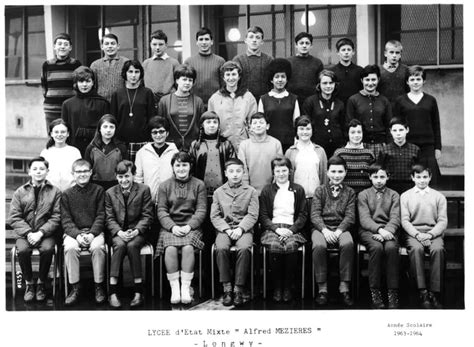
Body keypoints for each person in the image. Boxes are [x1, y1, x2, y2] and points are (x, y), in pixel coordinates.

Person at [7, 157, 61, 303]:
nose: (38, 172)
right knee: (22, 250)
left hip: (46, 234)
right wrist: (29, 233)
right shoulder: (20, 192)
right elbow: (14, 217)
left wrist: (41, 233)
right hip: (25, 235)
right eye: (35, 169)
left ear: (47, 171)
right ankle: (29, 284)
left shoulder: (55, 192)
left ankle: (41, 283)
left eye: (42, 169)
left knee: (48, 249)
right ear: (29, 171)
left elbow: (56, 217)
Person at [156, 152, 207, 304]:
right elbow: (162, 211)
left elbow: (201, 210)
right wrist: (172, 227)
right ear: (172, 167)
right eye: (177, 165)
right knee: (170, 248)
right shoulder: (164, 185)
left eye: (184, 165)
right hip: (170, 227)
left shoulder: (199, 185)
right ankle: (175, 289)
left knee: (187, 248)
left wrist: (189, 226)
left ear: (190, 166)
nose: (181, 168)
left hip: (191, 227)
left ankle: (185, 287)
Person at [210, 158, 259, 306]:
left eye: (238, 171)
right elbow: (215, 215)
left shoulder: (251, 191)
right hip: (224, 230)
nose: (235, 174)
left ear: (243, 172)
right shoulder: (219, 192)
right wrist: (226, 229)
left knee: (244, 248)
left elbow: (252, 214)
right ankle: (227, 288)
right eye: (231, 171)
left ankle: (238, 288)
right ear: (225, 173)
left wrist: (240, 228)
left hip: (243, 230)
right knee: (221, 248)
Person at [105, 160, 154, 308]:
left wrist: (137, 230)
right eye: (120, 177)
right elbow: (109, 217)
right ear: (116, 177)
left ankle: (138, 292)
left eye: (127, 176)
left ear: (133, 175)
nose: (124, 180)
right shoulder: (110, 193)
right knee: (119, 246)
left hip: (137, 231)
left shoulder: (144, 190)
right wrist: (119, 232)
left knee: (132, 246)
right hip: (118, 232)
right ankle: (112, 292)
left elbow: (147, 215)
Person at [259, 156, 307, 302]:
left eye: (284, 170)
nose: (281, 174)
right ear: (273, 172)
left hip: (292, 228)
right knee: (275, 246)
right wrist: (275, 229)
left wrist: (291, 230)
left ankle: (287, 286)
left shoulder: (298, 189)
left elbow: (303, 214)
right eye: (277, 171)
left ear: (290, 171)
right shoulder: (267, 190)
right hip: (273, 229)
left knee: (291, 246)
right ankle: (277, 286)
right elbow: (264, 215)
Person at [311, 155, 356, 307]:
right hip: (321, 228)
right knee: (319, 246)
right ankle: (322, 289)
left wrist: (338, 232)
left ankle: (344, 287)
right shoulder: (320, 191)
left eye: (340, 172)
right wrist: (324, 230)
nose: (337, 175)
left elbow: (350, 216)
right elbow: (315, 215)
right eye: (333, 172)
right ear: (327, 172)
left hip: (341, 228)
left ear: (345, 172)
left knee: (348, 243)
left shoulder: (350, 192)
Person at [400, 164, 447, 309]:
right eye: (418, 177)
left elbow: (442, 220)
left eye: (425, 177)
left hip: (433, 233)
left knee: (438, 250)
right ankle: (422, 291)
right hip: (414, 233)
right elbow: (405, 220)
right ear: (412, 178)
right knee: (416, 250)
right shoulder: (406, 196)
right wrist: (417, 234)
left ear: (430, 177)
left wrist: (430, 234)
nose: (422, 180)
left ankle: (434, 291)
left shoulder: (439, 197)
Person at [61, 159, 106, 306]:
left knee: (98, 248)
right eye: (79, 172)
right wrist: (77, 235)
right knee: (70, 248)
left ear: (91, 172)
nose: (82, 174)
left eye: (85, 171)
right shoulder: (66, 194)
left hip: (95, 231)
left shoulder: (98, 190)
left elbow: (101, 215)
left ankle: (98, 286)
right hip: (74, 233)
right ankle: (75, 287)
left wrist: (92, 233)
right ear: (73, 174)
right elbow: (66, 220)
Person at [357, 164, 401, 309]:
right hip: (369, 230)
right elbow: (364, 219)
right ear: (370, 177)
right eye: (375, 177)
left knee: (391, 248)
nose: (379, 180)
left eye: (382, 177)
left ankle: (392, 292)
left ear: (388, 177)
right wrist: (379, 230)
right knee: (376, 248)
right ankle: (375, 292)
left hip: (389, 231)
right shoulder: (363, 194)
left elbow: (395, 218)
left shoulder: (394, 195)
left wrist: (386, 231)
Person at [394, 65, 442, 186]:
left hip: (427, 146)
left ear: (423, 81)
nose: (415, 82)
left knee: (429, 178)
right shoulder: (400, 101)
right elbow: (397, 124)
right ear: (407, 82)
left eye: (418, 79)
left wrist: (437, 147)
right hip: (409, 145)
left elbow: (436, 124)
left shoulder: (431, 100)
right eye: (412, 79)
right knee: (411, 178)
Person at [110, 59, 156, 163]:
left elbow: (152, 118)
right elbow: (113, 119)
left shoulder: (147, 93)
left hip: (143, 141)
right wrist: (116, 141)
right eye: (130, 72)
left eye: (137, 72)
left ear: (141, 74)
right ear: (125, 73)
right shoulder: (117, 94)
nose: (133, 75)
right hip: (122, 142)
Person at [208, 61, 257, 151]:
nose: (231, 78)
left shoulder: (248, 97)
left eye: (234, 74)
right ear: (223, 77)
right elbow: (210, 123)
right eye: (228, 75)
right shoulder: (215, 99)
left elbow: (253, 122)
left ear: (239, 76)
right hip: (222, 145)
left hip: (243, 144)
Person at [61, 66, 110, 155]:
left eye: (88, 81)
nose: (84, 85)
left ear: (93, 83)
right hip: (74, 148)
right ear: (76, 83)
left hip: (96, 148)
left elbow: (107, 127)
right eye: (81, 81)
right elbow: (64, 128)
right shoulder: (67, 104)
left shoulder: (102, 103)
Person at [346, 64, 392, 158]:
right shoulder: (353, 100)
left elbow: (389, 126)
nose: (370, 83)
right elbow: (349, 124)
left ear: (378, 80)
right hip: (360, 145)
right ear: (362, 80)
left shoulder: (384, 101)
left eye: (373, 80)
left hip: (381, 146)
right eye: (367, 80)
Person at [157, 64, 205, 151]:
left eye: (190, 80)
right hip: (170, 148)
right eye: (184, 79)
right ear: (177, 80)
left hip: (193, 148)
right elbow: (160, 125)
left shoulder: (198, 101)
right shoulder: (164, 101)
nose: (187, 83)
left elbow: (202, 126)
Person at [41, 32, 82, 132]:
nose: (62, 47)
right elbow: (44, 86)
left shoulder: (76, 64)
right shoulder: (47, 65)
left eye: (65, 44)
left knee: (70, 136)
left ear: (70, 48)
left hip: (70, 108)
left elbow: (79, 85)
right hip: (51, 108)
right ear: (55, 47)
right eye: (59, 44)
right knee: (53, 137)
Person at [258, 58, 300, 152]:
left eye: (283, 77)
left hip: (289, 143)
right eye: (277, 77)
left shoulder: (293, 99)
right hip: (269, 143)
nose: (280, 80)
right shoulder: (264, 99)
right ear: (271, 80)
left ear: (287, 79)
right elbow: (261, 123)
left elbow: (296, 122)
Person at [134, 116, 179, 203]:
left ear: (167, 133)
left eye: (161, 131)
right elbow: (138, 178)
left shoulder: (175, 153)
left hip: (169, 200)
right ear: (151, 134)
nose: (158, 135)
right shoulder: (142, 153)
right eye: (154, 132)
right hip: (148, 201)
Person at [302, 69, 346, 157]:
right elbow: (305, 124)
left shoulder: (340, 104)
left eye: (331, 83)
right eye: (325, 83)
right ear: (319, 85)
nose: (328, 86)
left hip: (336, 147)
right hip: (316, 147)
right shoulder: (310, 102)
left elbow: (343, 126)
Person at [238, 112, 283, 195]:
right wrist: (246, 190)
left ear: (267, 126)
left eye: (261, 122)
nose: (258, 125)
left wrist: (275, 188)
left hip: (272, 191)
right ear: (250, 127)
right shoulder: (244, 145)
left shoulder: (276, 144)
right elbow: (242, 170)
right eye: (254, 123)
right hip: (250, 192)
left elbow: (280, 168)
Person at [285, 115, 327, 201]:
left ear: (312, 130)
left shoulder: (320, 151)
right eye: (301, 129)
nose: (305, 132)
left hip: (316, 198)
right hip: (296, 198)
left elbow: (324, 176)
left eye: (308, 129)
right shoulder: (290, 152)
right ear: (296, 131)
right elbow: (287, 177)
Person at [377, 117, 420, 194]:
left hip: (409, 187)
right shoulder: (384, 150)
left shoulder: (415, 149)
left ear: (407, 130)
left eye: (401, 130)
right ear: (390, 131)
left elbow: (419, 170)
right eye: (394, 130)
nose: (398, 133)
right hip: (390, 187)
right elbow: (380, 170)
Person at [85, 114, 127, 191]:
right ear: (99, 129)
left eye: (111, 127)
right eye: (105, 127)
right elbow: (87, 169)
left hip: (116, 186)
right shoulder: (91, 148)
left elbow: (125, 170)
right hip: (95, 186)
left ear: (115, 129)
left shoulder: (121, 147)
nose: (108, 130)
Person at [184, 27, 225, 106]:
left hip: (215, 104)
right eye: (201, 39)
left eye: (206, 39)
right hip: (194, 104)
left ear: (211, 42)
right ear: (197, 42)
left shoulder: (220, 61)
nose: (204, 42)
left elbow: (224, 85)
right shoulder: (189, 62)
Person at [334, 119, 376, 194]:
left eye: (359, 132)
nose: (356, 135)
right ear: (348, 134)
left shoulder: (369, 154)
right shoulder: (339, 153)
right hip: (344, 196)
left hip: (364, 197)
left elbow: (374, 178)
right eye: (353, 132)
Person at [233, 26, 273, 102]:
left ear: (262, 41)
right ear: (245, 40)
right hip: (243, 101)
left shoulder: (269, 60)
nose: (254, 40)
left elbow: (272, 82)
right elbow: (234, 83)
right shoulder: (238, 60)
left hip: (264, 101)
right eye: (251, 37)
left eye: (258, 38)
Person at [40, 119, 82, 191]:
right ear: (51, 134)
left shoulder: (74, 152)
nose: (59, 135)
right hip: (50, 192)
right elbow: (42, 174)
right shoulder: (45, 152)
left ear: (68, 133)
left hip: (70, 192)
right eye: (56, 132)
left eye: (63, 132)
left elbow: (79, 173)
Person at [142, 30, 180, 106]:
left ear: (166, 45)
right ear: (150, 45)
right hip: (150, 102)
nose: (157, 47)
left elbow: (178, 85)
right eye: (154, 44)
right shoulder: (146, 63)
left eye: (161, 44)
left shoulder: (174, 63)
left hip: (169, 102)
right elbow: (142, 85)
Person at [286, 32, 324, 106]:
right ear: (296, 45)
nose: (304, 46)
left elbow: (321, 83)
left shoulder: (317, 62)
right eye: (301, 43)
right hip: (292, 101)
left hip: (312, 101)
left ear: (311, 46)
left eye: (307, 43)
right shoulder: (288, 62)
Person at [90, 33, 129, 102]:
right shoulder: (95, 65)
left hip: (122, 102)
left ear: (118, 46)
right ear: (102, 46)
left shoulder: (126, 63)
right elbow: (92, 87)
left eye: (112, 43)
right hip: (101, 103)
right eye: (107, 44)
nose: (110, 46)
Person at [328, 37, 363, 106]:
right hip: (337, 107)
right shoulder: (332, 72)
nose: (346, 52)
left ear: (353, 52)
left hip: (355, 106)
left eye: (349, 50)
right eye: (343, 50)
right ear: (338, 52)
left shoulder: (360, 70)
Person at [378, 40, 409, 108]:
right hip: (383, 108)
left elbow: (409, 91)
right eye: (391, 52)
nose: (394, 55)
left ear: (400, 55)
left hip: (401, 108)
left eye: (397, 53)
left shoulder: (406, 70)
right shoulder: (378, 70)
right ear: (385, 53)